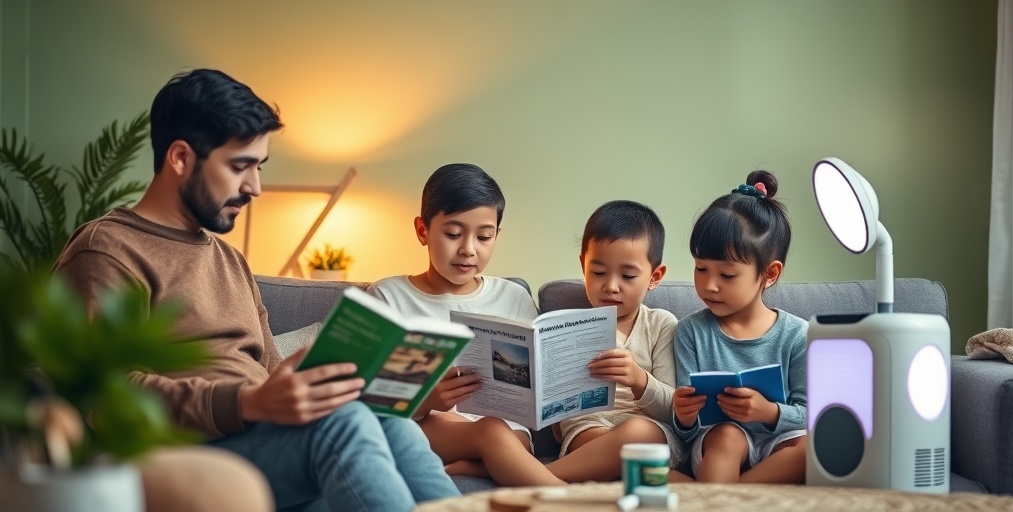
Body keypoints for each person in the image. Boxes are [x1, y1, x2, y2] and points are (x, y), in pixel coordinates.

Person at [53, 68, 459, 511]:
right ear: (181, 158)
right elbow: (105, 397)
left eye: (259, 167)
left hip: (261, 443)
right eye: (239, 166)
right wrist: (247, 402)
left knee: (391, 422)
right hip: (186, 459)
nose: (256, 187)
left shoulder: (230, 260)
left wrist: (318, 384)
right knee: (343, 424)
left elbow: (269, 373)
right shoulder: (107, 251)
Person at [367, 163, 565, 487]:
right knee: (491, 431)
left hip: (512, 434)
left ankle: (476, 465)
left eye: (484, 237)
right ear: (422, 231)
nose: (468, 249)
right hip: (425, 427)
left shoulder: (513, 297)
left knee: (500, 432)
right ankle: (575, 504)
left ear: (496, 236)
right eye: (453, 234)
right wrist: (426, 399)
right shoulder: (388, 297)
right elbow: (371, 396)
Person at [671, 170, 808, 484]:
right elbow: (685, 430)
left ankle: (720, 497)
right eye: (701, 269)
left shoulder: (798, 335)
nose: (710, 285)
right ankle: (720, 497)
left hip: (779, 443)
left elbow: (811, 413)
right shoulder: (690, 332)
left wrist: (768, 412)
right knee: (728, 436)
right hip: (718, 442)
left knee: (816, 446)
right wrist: (683, 414)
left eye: (727, 275)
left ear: (769, 274)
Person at [543, 200, 684, 483]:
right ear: (583, 265)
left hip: (647, 430)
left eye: (628, 276)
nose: (611, 286)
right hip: (589, 430)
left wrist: (638, 379)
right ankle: (641, 476)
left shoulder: (661, 324)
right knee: (595, 440)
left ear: (654, 277)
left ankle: (531, 476)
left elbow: (674, 409)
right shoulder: (564, 327)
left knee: (638, 434)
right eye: (598, 272)